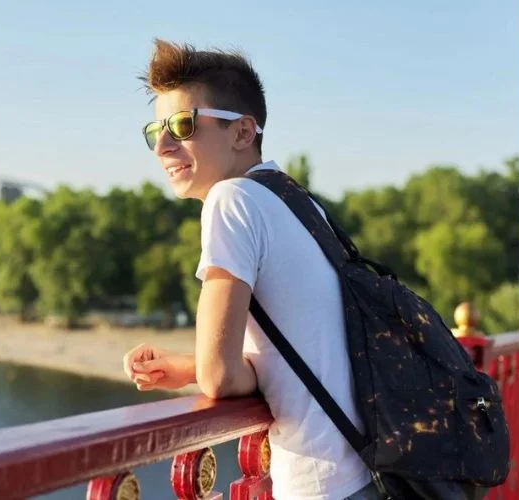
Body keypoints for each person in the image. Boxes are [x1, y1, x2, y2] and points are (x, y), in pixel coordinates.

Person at [122, 39, 379, 500]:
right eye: (154, 129)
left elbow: (220, 377)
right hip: (365, 471)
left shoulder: (230, 200)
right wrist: (186, 368)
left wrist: (202, 369)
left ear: (243, 132)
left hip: (320, 485)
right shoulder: (296, 201)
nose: (162, 145)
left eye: (183, 125)